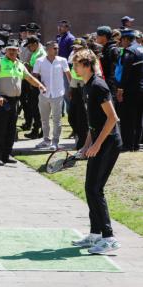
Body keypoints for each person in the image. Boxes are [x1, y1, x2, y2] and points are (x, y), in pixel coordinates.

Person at [71, 49, 122, 254]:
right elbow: (94, 123)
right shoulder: (86, 87)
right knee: (89, 187)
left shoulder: (99, 86)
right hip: (99, 141)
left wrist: (97, 145)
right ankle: (95, 235)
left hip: (109, 143)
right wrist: (86, 145)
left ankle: (109, 238)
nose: (74, 67)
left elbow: (112, 118)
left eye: (76, 64)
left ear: (86, 64)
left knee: (95, 188)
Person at [0, 39, 47, 165]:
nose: (11, 51)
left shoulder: (19, 64)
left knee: (11, 129)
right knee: (1, 128)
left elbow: (29, 77)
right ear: (5, 50)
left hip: (14, 100)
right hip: (2, 99)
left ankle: (6, 155)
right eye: (9, 49)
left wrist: (40, 86)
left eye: (14, 50)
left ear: (18, 51)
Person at [32, 41, 71, 150]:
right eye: (54, 48)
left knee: (57, 119)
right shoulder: (39, 61)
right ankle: (46, 140)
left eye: (57, 48)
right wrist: (40, 83)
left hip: (58, 94)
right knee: (44, 119)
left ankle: (55, 141)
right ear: (47, 49)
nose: (57, 49)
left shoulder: (62, 60)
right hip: (44, 94)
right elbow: (34, 76)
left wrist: (71, 88)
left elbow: (68, 75)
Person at [116, 29, 143, 152]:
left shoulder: (129, 52)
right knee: (138, 118)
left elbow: (125, 73)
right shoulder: (141, 50)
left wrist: (120, 89)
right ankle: (136, 144)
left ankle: (128, 144)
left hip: (130, 90)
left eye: (121, 40)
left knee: (127, 118)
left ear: (126, 40)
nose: (121, 43)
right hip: (141, 89)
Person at [23, 35, 47, 139]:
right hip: (34, 82)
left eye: (30, 46)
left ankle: (37, 130)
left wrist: (27, 66)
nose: (28, 48)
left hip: (38, 83)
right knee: (35, 108)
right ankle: (38, 129)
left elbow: (38, 70)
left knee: (36, 108)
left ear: (35, 44)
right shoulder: (35, 53)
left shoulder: (40, 53)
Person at [96, 26, 120, 101]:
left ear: (104, 37)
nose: (96, 37)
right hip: (104, 83)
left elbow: (115, 70)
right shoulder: (104, 48)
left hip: (110, 86)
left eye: (98, 35)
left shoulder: (113, 50)